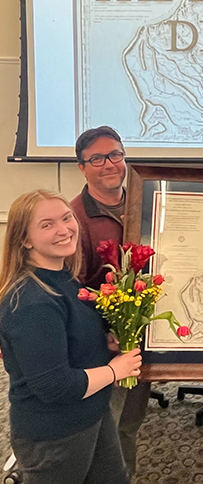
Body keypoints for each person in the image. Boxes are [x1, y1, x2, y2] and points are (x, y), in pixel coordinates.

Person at [0, 190, 141, 484]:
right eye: (47, 224)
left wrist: (105, 343)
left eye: (66, 218)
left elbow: (70, 342)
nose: (64, 229)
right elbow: (55, 387)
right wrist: (115, 371)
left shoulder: (61, 276)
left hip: (91, 412)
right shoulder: (31, 301)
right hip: (55, 433)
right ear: (24, 240)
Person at [70, 126, 150, 478]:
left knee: (130, 423)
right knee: (107, 428)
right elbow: (72, 293)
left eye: (115, 155)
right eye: (97, 158)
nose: (109, 164)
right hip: (103, 345)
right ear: (82, 167)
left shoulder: (146, 198)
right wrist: (106, 334)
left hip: (139, 333)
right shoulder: (73, 219)